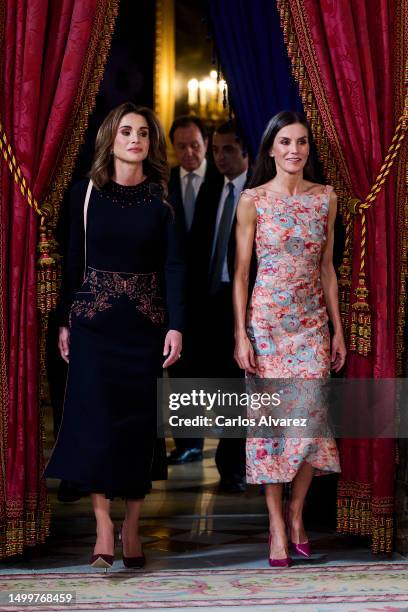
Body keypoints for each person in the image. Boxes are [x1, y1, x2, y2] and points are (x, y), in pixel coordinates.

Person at [45, 102, 185, 570]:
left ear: (150, 143)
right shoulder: (85, 193)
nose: (134, 140)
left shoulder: (163, 196)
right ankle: (104, 524)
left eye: (143, 133)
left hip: (144, 327)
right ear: (111, 138)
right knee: (96, 422)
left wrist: (176, 325)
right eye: (126, 132)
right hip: (93, 324)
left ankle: (133, 525)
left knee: (137, 427)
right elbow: (72, 262)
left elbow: (174, 266)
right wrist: (65, 319)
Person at [233, 111, 346, 566]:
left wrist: (338, 329)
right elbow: (241, 273)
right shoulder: (253, 200)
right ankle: (277, 524)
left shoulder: (326, 199)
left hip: (312, 324)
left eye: (301, 142)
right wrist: (240, 334)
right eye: (285, 142)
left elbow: (328, 269)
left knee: (310, 420)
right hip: (266, 325)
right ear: (271, 149)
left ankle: (297, 509)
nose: (294, 150)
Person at [167, 116, 223, 465]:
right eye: (181, 146)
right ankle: (188, 442)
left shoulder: (221, 182)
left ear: (206, 145)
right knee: (181, 371)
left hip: (214, 293)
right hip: (178, 294)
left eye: (195, 146)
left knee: (215, 369)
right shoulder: (164, 182)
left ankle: (229, 454)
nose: (189, 152)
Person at [208, 120, 251, 492]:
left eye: (228, 150)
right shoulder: (212, 190)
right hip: (214, 300)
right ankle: (228, 461)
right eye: (216, 150)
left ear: (245, 151)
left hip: (251, 302)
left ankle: (235, 463)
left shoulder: (257, 192)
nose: (220, 157)